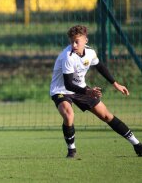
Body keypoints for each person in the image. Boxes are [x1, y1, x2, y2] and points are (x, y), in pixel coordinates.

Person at [50, 25, 142, 158]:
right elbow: (68, 85)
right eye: (72, 42)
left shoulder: (90, 52)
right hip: (61, 90)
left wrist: (116, 84)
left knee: (106, 115)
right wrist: (87, 92)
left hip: (81, 88)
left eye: (77, 41)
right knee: (69, 115)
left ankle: (137, 145)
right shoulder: (68, 57)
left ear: (85, 40)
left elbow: (100, 66)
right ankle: (71, 150)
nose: (74, 45)